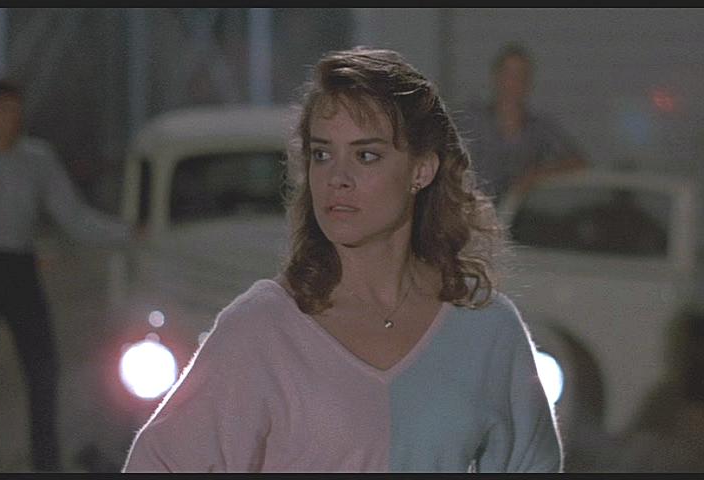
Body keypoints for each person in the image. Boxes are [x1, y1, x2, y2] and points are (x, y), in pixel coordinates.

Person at [122, 47, 562, 473]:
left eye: (366, 155)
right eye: (322, 154)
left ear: (421, 170)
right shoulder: (263, 329)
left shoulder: (485, 329)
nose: (337, 178)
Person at [0, 79, 134, 472]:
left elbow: (72, 215)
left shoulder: (36, 159)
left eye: (17, 108)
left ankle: (46, 460)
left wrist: (125, 232)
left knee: (42, 366)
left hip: (19, 266)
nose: (14, 117)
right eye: (5, 109)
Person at [462, 43, 587, 207]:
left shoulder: (539, 128)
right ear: (495, 77)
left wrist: (536, 176)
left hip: (518, 214)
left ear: (529, 82)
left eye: (521, 75)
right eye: (508, 74)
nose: (514, 82)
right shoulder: (472, 120)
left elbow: (578, 163)